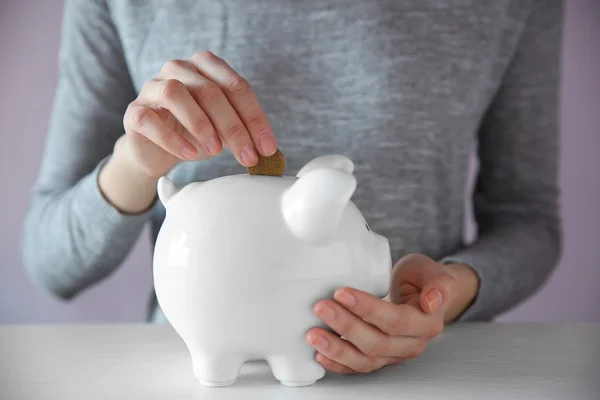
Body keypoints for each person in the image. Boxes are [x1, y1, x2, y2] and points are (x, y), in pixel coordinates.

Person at [22, 0, 563, 375]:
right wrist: (135, 166)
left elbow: (526, 216)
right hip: (188, 379)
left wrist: (447, 293)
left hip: (419, 378)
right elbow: (50, 262)